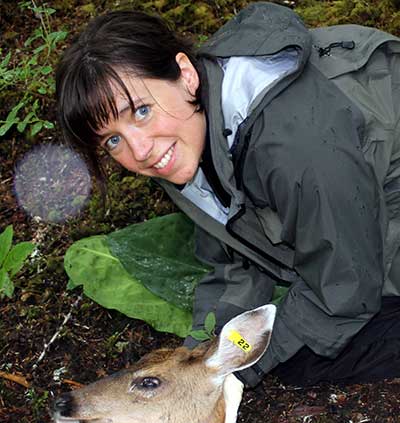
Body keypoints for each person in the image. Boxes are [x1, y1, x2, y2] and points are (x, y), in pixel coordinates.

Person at [56, 2, 400, 388]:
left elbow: (345, 285)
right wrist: (204, 358)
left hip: (382, 199)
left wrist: (237, 371)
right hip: (351, 208)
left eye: (140, 111)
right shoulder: (190, 132)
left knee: (305, 358)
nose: (138, 151)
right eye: (113, 140)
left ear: (185, 74)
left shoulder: (291, 144)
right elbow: (235, 258)